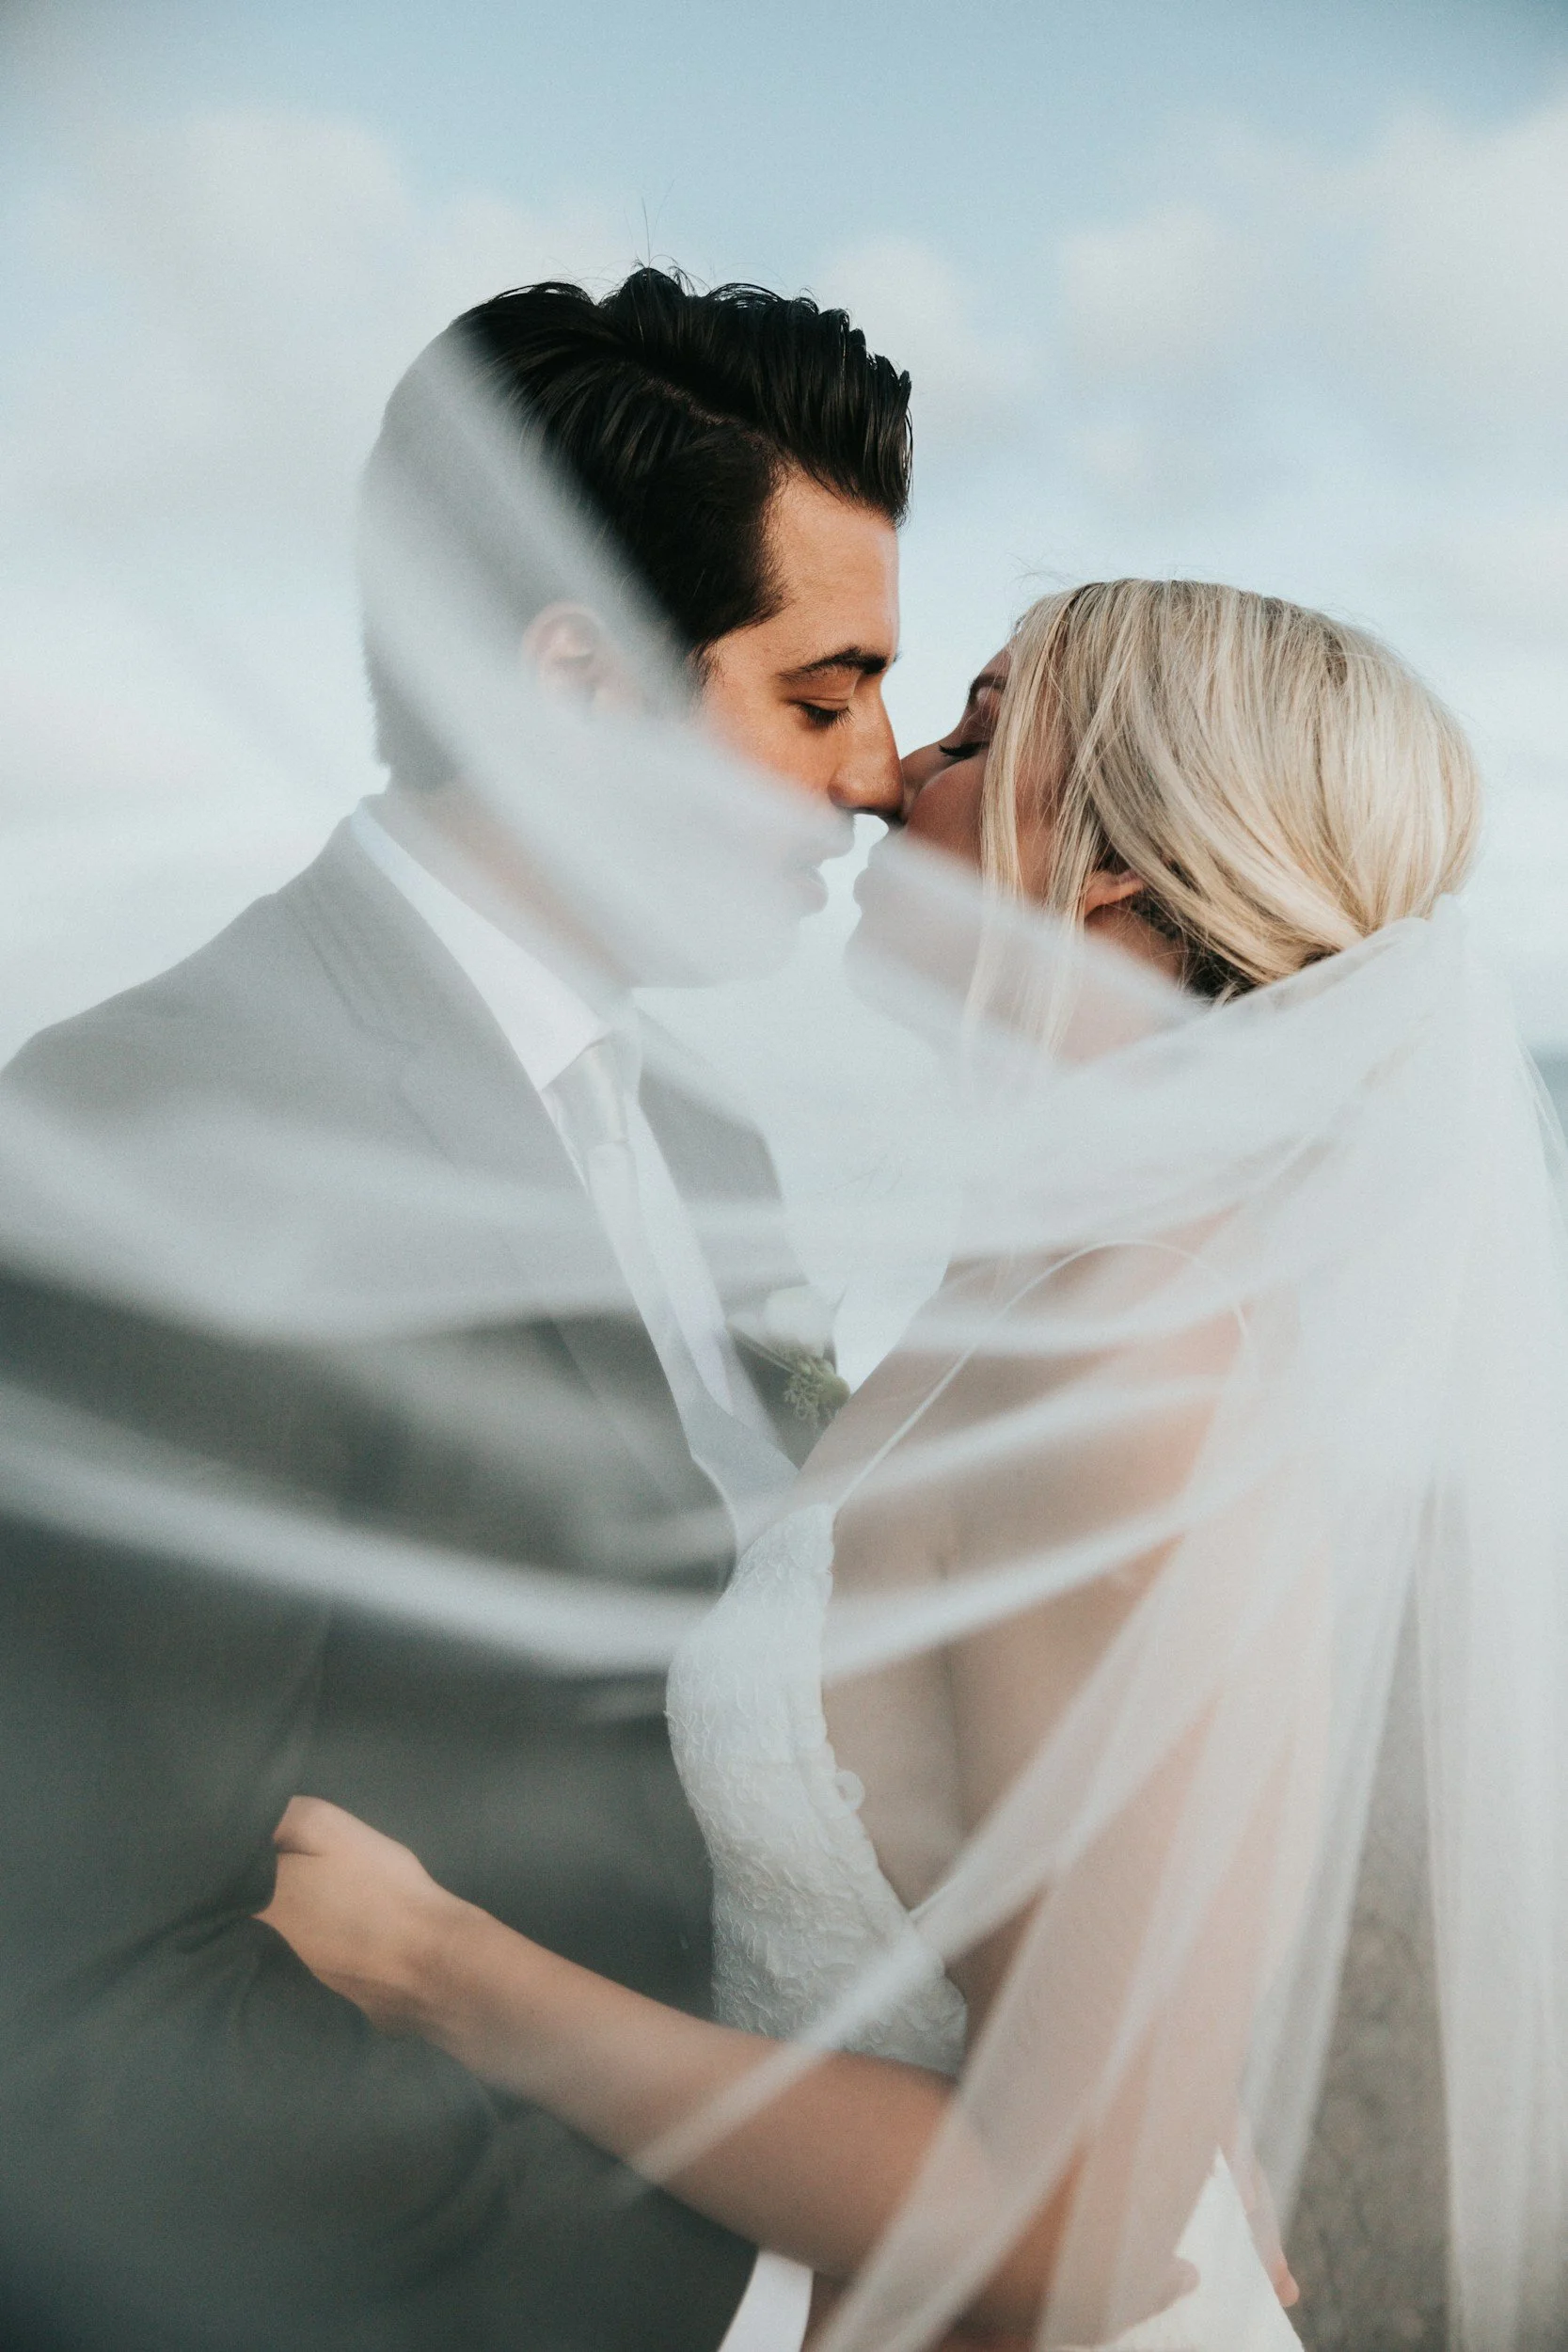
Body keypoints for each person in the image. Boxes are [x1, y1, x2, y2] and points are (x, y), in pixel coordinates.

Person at [258, 580, 1531, 2350]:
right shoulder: (1023, 1289)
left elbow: (1075, 2242)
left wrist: (443, 1972)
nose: (892, 776)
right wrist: (1129, 2062)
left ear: (1113, 866)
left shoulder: (1129, 1362)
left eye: (979, 727)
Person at [0, 268, 911, 2352]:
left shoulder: (707, 1141)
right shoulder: (171, 1132)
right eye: (818, 690)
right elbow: (68, 2030)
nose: (874, 774)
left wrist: (1035, 2143)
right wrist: (755, 2285)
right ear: (578, 679)